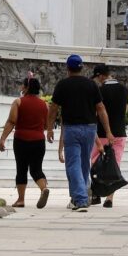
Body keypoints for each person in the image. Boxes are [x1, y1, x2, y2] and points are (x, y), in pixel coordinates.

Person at [46, 54, 115, 212]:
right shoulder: (91, 85)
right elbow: (101, 109)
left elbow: (53, 108)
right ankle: (81, 193)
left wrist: (49, 128)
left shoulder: (62, 85)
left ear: (67, 68)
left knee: (73, 164)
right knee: (84, 163)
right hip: (90, 128)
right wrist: (109, 131)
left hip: (72, 128)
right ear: (82, 67)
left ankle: (81, 199)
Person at [0, 76, 50, 208]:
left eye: (23, 85)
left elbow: (11, 121)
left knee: (21, 169)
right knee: (36, 169)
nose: (21, 87)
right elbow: (45, 125)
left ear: (26, 87)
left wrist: (3, 138)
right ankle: (44, 189)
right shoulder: (45, 105)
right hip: (38, 141)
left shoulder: (18, 102)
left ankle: (21, 200)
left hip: (21, 140)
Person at [89, 64, 128, 208]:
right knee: (114, 164)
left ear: (101, 76)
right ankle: (109, 198)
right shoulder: (124, 89)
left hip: (101, 133)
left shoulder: (99, 90)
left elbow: (96, 112)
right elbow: (125, 110)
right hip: (119, 133)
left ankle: (95, 194)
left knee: (95, 162)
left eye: (97, 78)